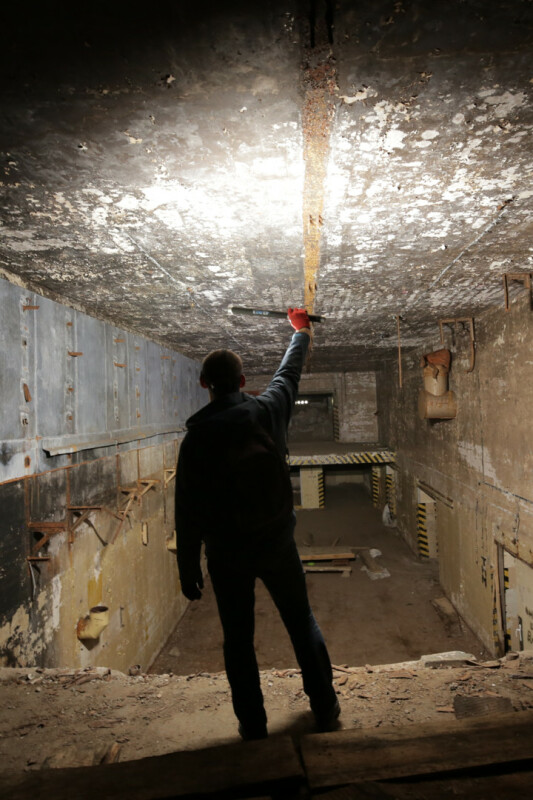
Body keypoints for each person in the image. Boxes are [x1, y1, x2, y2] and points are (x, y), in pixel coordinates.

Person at [175, 307, 339, 740]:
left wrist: (187, 567)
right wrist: (300, 331)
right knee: (301, 623)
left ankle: (253, 724)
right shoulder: (267, 410)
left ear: (204, 384)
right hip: (276, 543)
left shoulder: (196, 440)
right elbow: (289, 372)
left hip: (226, 555)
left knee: (238, 639)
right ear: (243, 380)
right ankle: (325, 707)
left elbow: (187, 508)